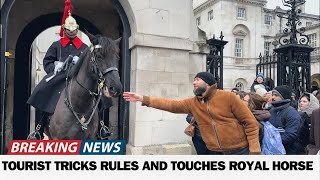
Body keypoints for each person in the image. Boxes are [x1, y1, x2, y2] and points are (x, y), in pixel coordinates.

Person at [123, 72, 261, 155]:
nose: (194, 83)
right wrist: (143, 98)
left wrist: (254, 151)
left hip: (239, 151)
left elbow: (250, 123)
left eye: (197, 79)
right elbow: (171, 105)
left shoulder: (228, 97)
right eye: (193, 80)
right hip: (213, 152)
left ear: (208, 83)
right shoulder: (193, 102)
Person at [27, 13, 88, 139]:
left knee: (99, 95)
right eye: (68, 30)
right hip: (61, 76)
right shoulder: (56, 45)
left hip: (78, 78)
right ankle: (39, 127)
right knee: (42, 91)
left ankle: (102, 126)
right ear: (64, 29)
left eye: (74, 30)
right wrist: (55, 67)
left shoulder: (84, 47)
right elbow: (47, 61)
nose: (71, 32)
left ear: (77, 29)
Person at [268, 85, 303, 154]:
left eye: (276, 95)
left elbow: (291, 135)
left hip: (288, 151)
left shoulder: (291, 113)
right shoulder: (271, 111)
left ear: (283, 96)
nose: (273, 97)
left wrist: (272, 140)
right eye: (272, 95)